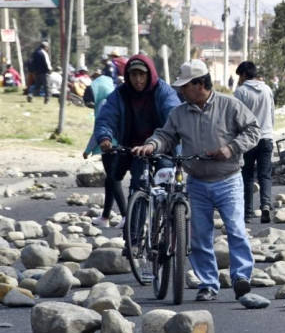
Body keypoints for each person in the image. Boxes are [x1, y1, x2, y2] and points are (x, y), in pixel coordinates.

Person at [132, 59, 260, 302]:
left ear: (201, 84)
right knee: (199, 236)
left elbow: (253, 130)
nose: (180, 91)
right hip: (197, 182)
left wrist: (231, 148)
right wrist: (151, 145)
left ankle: (241, 277)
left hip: (228, 179)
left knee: (236, 229)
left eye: (185, 86)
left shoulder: (230, 105)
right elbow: (166, 136)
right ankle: (208, 284)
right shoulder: (179, 113)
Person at [92, 54, 181, 227]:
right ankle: (133, 238)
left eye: (142, 74)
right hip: (136, 150)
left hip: (164, 147)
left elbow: (174, 116)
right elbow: (106, 118)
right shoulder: (120, 93)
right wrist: (104, 137)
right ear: (127, 76)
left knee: (165, 184)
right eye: (133, 75)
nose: (138, 79)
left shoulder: (163, 91)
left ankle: (166, 228)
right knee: (137, 188)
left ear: (150, 74)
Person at [82, 72, 126, 228]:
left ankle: (125, 215)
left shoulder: (103, 103)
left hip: (108, 146)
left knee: (114, 180)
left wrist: (87, 149)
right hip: (118, 145)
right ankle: (105, 217)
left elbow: (99, 130)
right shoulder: (116, 99)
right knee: (110, 180)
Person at [234, 61, 274, 224]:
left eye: (239, 76)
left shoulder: (241, 92)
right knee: (265, 175)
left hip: (248, 139)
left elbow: (236, 117)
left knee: (247, 175)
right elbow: (272, 114)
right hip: (266, 137)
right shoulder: (267, 89)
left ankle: (248, 213)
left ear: (244, 75)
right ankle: (265, 205)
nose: (239, 80)